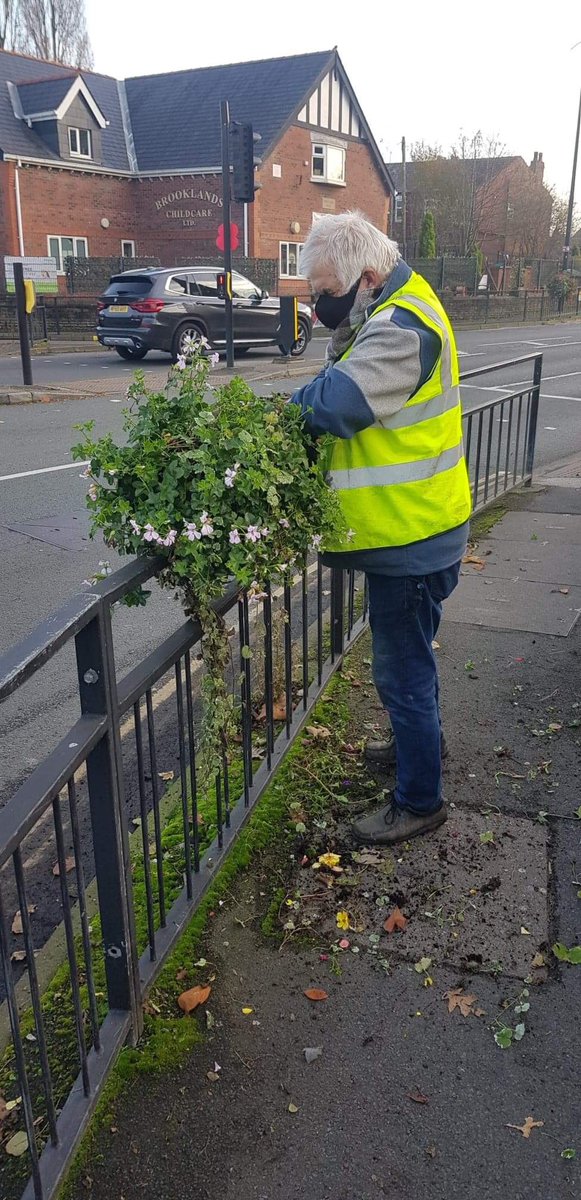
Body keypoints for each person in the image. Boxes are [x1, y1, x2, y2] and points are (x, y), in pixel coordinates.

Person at [291, 211, 471, 847]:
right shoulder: (389, 308)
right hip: (417, 529)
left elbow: (336, 403)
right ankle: (417, 743)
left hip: (410, 539)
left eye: (323, 294)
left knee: (402, 671)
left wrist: (271, 425)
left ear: (365, 279)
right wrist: (342, 326)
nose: (317, 309)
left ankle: (420, 799)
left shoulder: (400, 328)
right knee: (411, 658)